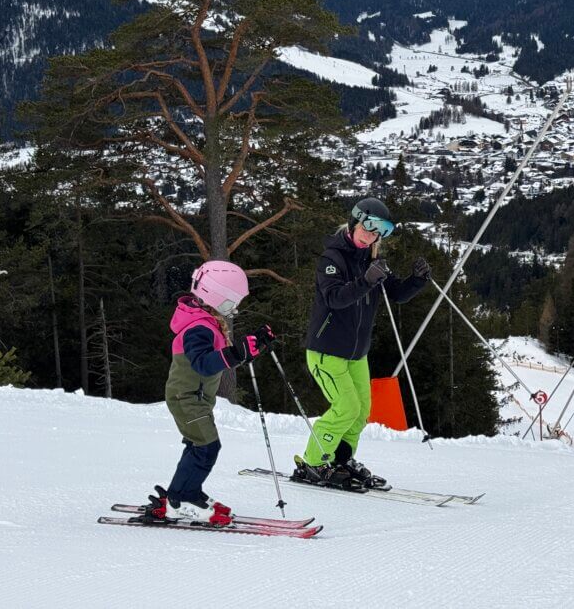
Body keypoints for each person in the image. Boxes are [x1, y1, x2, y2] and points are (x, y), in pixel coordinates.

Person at [292, 197, 430, 490]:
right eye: (368, 227)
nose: (371, 235)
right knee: (345, 407)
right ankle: (314, 462)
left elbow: (397, 294)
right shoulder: (332, 259)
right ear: (354, 222)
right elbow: (335, 298)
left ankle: (341, 460)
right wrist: (366, 281)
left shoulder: (371, 260)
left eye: (379, 231)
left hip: (356, 353)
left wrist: (417, 281)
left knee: (361, 411)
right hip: (327, 351)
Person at [142, 260, 276, 524]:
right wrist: (238, 352)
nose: (234, 307)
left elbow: (222, 357)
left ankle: (183, 493)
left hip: (194, 399)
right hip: (187, 399)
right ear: (216, 296)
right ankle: (181, 500)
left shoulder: (205, 322)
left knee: (198, 445)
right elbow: (203, 363)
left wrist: (250, 347)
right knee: (206, 447)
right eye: (232, 301)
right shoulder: (199, 328)